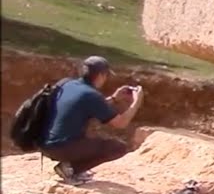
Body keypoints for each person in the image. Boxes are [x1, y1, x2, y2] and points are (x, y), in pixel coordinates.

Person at [39, 56, 143, 184]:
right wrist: (136, 102)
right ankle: (70, 169)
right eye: (106, 76)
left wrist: (114, 99)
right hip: (60, 147)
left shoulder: (67, 84)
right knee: (117, 148)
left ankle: (70, 166)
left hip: (43, 143)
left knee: (86, 138)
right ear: (100, 76)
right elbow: (121, 123)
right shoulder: (92, 95)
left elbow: (87, 106)